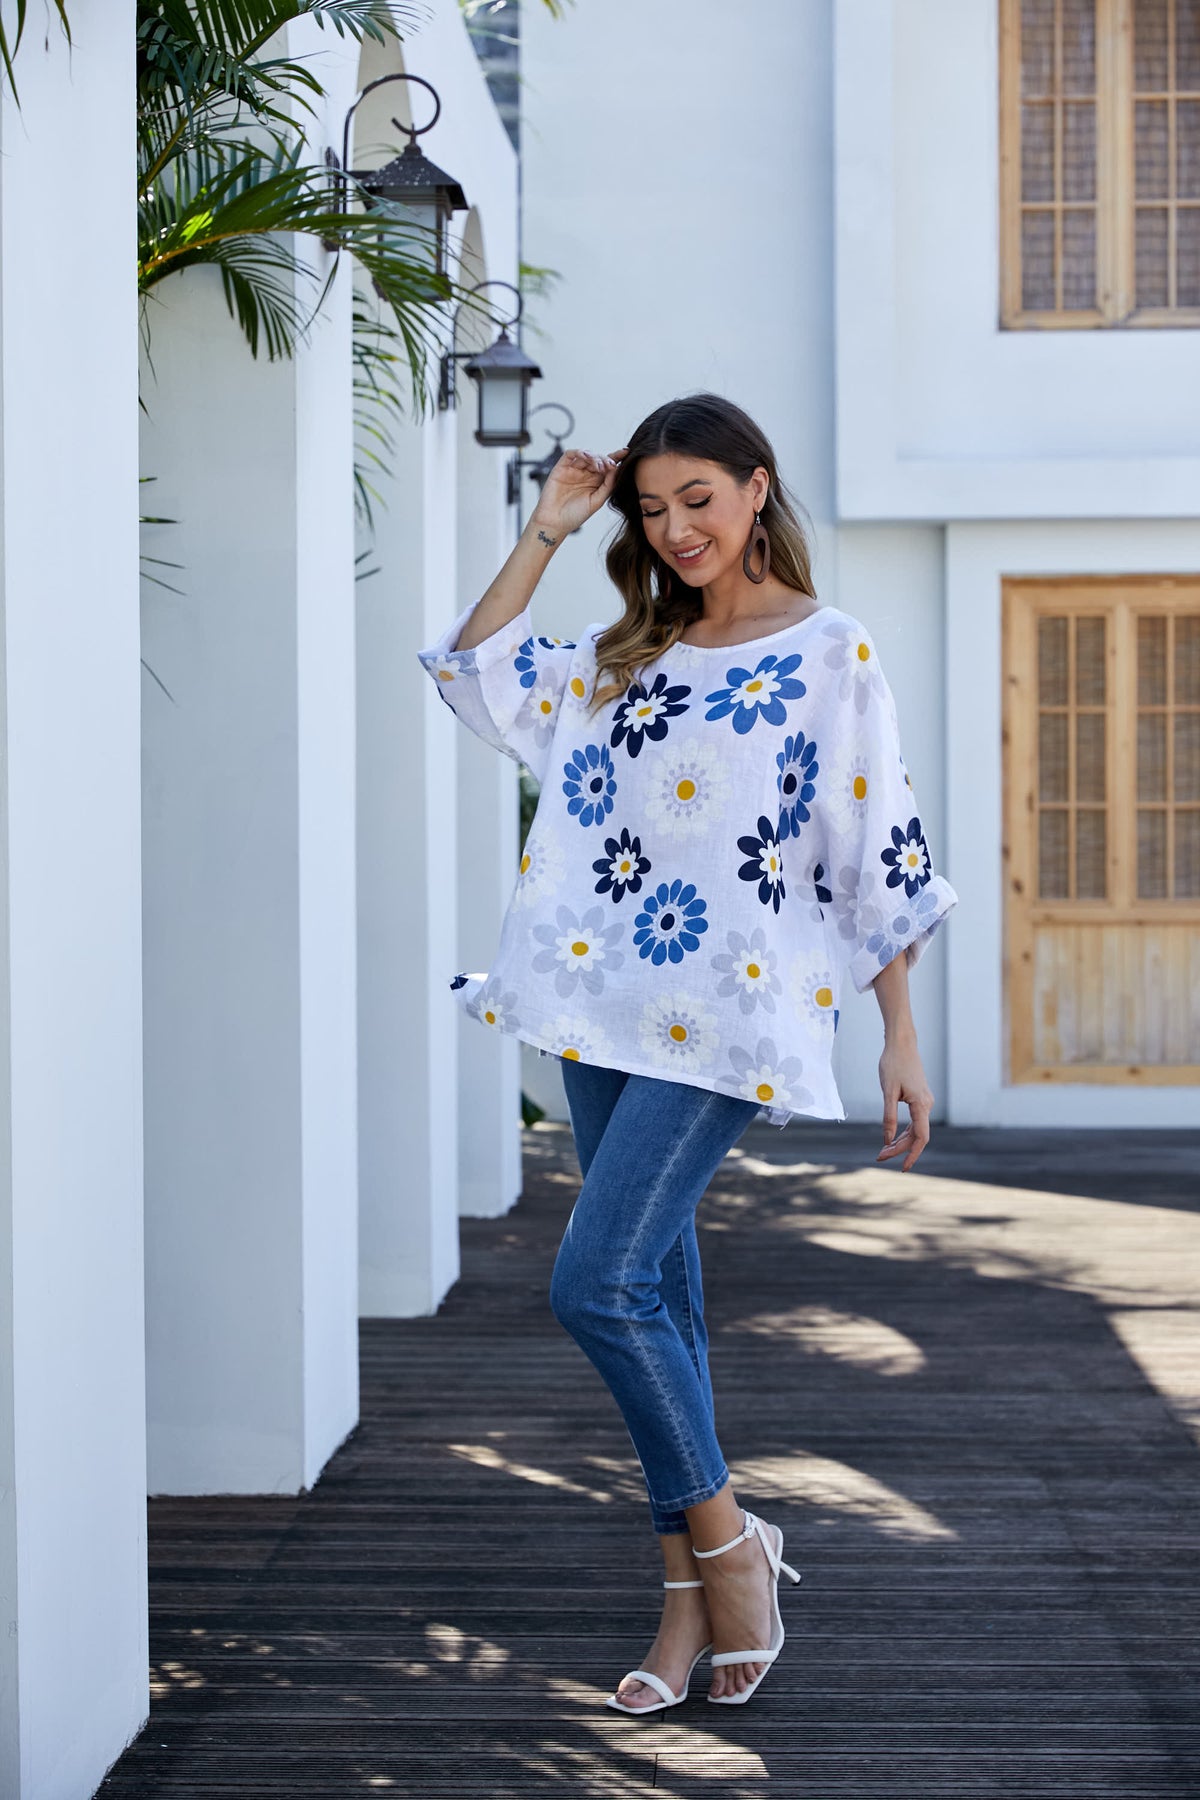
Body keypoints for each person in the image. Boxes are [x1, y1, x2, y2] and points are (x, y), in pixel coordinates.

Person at [416, 392, 958, 1711]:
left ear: (756, 486)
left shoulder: (828, 652)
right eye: (653, 510)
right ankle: (687, 1605)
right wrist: (551, 527)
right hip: (597, 999)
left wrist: (898, 1031)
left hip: (726, 1019)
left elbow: (874, 850)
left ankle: (731, 1546)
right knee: (658, 1290)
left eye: (697, 500)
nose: (675, 529)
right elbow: (473, 671)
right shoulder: (629, 653)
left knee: (596, 1284)